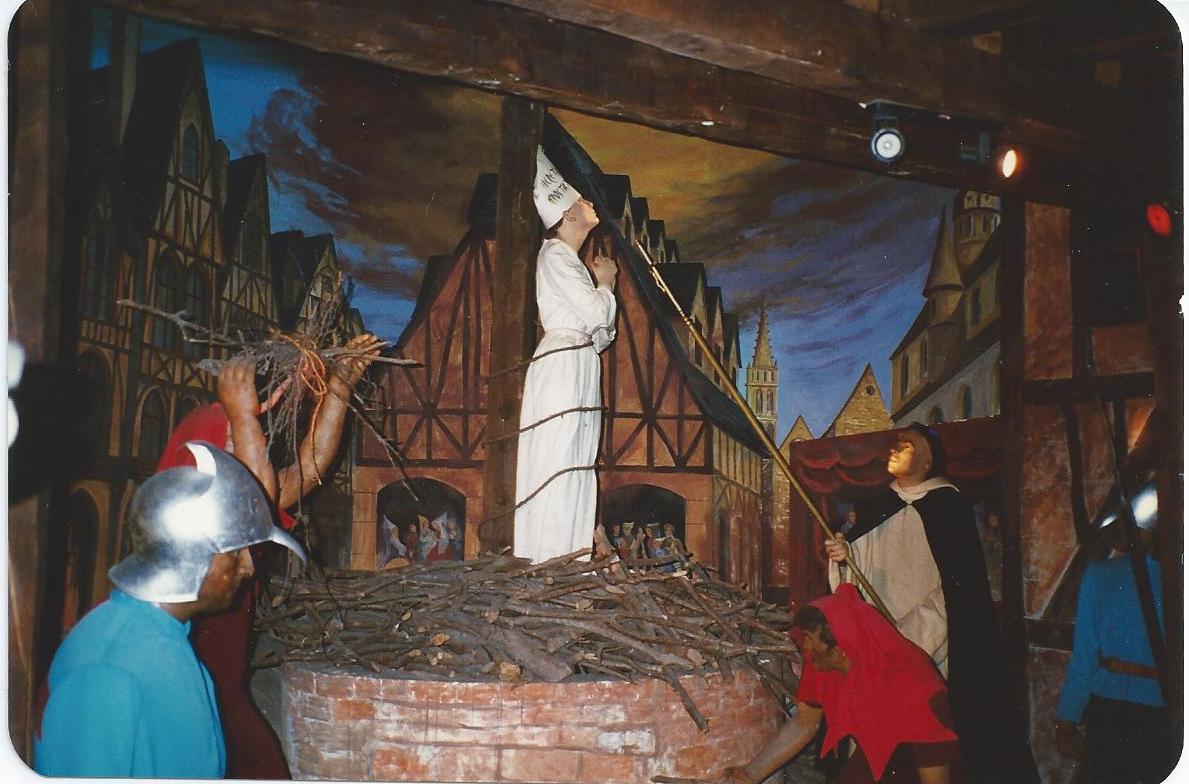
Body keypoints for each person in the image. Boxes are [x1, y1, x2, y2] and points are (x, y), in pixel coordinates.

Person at [156, 334, 380, 779]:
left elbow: (306, 473)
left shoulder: (242, 444)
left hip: (223, 680)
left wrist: (340, 388)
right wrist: (241, 419)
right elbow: (255, 497)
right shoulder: (207, 428)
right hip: (184, 668)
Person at [35, 442, 307, 778]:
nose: (248, 568)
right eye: (236, 553)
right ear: (191, 555)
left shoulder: (169, 638)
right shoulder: (107, 669)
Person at [825, 423, 1036, 783]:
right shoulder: (877, 506)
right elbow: (853, 577)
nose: (895, 449)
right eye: (896, 443)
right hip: (877, 646)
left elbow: (956, 592)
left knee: (922, 741)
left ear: (926, 460)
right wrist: (844, 557)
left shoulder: (948, 507)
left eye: (906, 445)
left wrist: (906, 638)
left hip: (927, 646)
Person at [714, 584, 959, 784]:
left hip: (915, 770)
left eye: (812, 640)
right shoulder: (823, 661)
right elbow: (804, 723)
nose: (805, 646)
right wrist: (748, 776)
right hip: (873, 758)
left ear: (841, 651)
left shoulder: (918, 690)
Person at [513, 147, 618, 563]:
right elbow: (597, 315)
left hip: (579, 360)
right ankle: (551, 557)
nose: (589, 203)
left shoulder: (568, 261)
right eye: (581, 199)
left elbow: (601, 335)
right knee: (560, 456)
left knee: (576, 458)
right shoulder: (556, 254)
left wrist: (600, 296)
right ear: (568, 214)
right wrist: (606, 284)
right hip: (563, 364)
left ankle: (571, 557)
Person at [1054, 483, 1173, 783]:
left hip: (1111, 710)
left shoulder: (1101, 575)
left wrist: (1066, 721)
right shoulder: (1177, 579)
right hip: (1165, 710)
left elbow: (1085, 658)